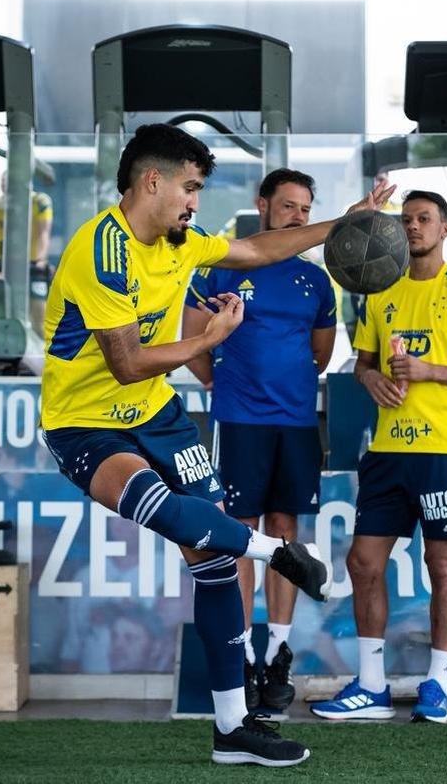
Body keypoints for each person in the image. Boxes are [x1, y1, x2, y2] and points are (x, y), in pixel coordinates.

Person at [39, 123, 394, 767]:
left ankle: (233, 730)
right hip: (86, 422)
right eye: (190, 187)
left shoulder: (180, 241)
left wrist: (343, 224)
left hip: (160, 417)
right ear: (152, 182)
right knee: (170, 510)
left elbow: (257, 252)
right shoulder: (102, 251)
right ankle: (277, 551)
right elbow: (128, 363)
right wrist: (209, 341)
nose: (194, 202)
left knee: (213, 557)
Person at [310, 190, 447, 723]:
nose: (413, 227)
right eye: (407, 220)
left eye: (424, 219)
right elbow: (362, 365)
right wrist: (372, 379)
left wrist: (431, 371)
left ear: (446, 228)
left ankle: (436, 685)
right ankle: (371, 686)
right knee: (362, 562)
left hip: (442, 450)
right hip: (388, 452)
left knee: (442, 566)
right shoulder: (379, 290)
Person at [182, 168, 336, 715]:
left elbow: (321, 352)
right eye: (289, 206)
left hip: (295, 423)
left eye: (305, 208)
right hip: (240, 421)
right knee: (242, 536)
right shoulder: (224, 262)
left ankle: (277, 654)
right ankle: (243, 657)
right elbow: (193, 339)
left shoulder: (316, 281)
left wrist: (286, 382)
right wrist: (212, 379)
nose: (297, 216)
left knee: (285, 531)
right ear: (263, 205)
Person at [0, 171, 55, 335]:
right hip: (3, 264)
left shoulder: (40, 202)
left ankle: (46, 350)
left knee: (39, 317)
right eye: (4, 183)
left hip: (32, 264)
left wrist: (41, 259)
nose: (7, 187)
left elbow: (43, 233)